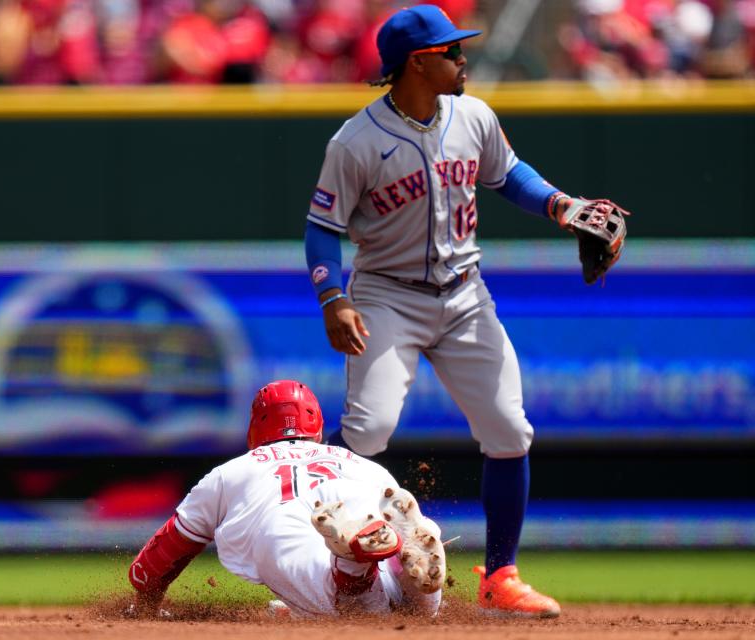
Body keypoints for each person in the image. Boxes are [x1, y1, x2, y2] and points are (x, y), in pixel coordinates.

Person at [303, 4, 620, 619]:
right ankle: (311, 557)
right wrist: (332, 296)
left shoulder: (473, 116)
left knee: (508, 430)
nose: (461, 57)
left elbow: (510, 176)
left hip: (465, 295)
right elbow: (321, 228)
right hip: (387, 296)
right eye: (450, 51)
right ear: (418, 62)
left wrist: (560, 205)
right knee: (365, 432)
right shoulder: (357, 140)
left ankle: (500, 575)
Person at [126, 379, 447, 618]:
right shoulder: (364, 466)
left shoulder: (229, 473)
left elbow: (168, 548)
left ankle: (351, 566)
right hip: (360, 515)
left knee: (355, 614)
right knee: (413, 612)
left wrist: (145, 601)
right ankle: (399, 567)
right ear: (317, 425)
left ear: (256, 427)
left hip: (288, 538)